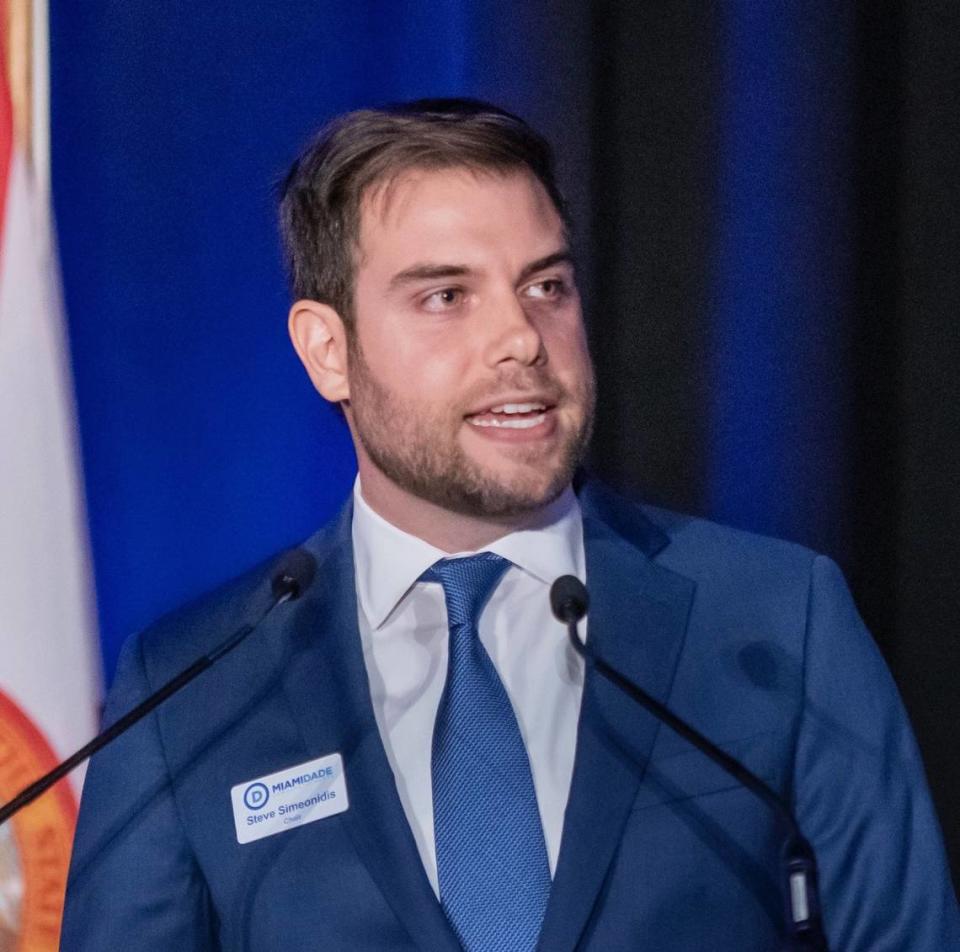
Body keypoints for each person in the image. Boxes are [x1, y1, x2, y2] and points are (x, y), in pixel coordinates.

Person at [62, 99, 959, 951]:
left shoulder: (775, 621)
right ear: (327, 351)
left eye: (547, 285)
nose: (523, 339)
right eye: (447, 296)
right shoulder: (190, 692)